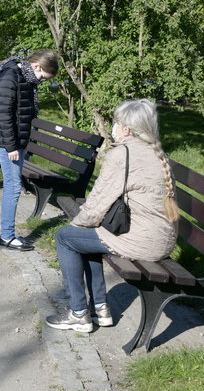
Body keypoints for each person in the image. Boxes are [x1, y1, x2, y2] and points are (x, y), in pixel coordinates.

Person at [45, 98, 180, 332]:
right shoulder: (157, 152)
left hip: (142, 242)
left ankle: (78, 313)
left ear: (126, 129)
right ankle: (100, 309)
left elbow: (97, 203)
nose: (114, 127)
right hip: (162, 239)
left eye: (116, 123)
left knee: (66, 238)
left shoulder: (123, 154)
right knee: (86, 238)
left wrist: (77, 223)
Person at [0, 49, 59, 251]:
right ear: (36, 66)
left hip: (16, 141)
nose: (42, 81)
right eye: (43, 76)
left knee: (13, 186)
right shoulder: (10, 77)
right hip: (7, 143)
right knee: (14, 187)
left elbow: (21, 112)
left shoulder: (26, 78)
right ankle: (7, 236)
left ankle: (7, 234)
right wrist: (11, 146)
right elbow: (3, 114)